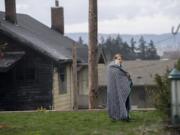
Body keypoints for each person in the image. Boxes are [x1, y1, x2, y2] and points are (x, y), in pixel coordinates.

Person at [107, 53, 133, 121]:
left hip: (120, 89)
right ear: (115, 59)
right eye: (118, 59)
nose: (120, 60)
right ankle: (115, 116)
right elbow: (112, 79)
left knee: (123, 101)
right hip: (113, 89)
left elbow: (123, 77)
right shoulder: (111, 68)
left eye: (121, 59)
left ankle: (124, 116)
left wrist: (127, 77)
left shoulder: (120, 69)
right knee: (114, 102)